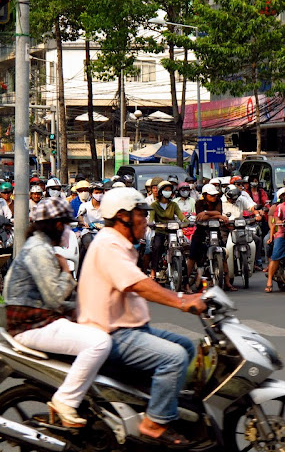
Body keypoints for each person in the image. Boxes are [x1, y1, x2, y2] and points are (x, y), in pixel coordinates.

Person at [77, 188, 206, 446]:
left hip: (130, 329)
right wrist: (181, 301)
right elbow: (138, 284)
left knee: (185, 346)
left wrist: (186, 295)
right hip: (111, 334)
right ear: (123, 217)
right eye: (140, 215)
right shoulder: (108, 245)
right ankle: (155, 422)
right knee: (174, 357)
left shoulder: (120, 244)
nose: (145, 221)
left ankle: (152, 401)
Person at [4, 198, 112, 428]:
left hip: (41, 319)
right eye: (65, 225)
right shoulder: (39, 251)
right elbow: (56, 297)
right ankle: (65, 400)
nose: (67, 231)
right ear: (55, 225)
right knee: (99, 343)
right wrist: (66, 272)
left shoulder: (41, 247)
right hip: (32, 325)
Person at [187, 184, 237, 291]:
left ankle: (227, 282)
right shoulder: (199, 203)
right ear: (205, 195)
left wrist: (209, 214)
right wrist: (217, 216)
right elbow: (201, 216)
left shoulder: (218, 201)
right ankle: (185, 282)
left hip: (214, 230)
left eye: (215, 195)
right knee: (192, 255)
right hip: (201, 231)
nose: (214, 197)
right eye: (211, 195)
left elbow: (217, 212)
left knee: (223, 254)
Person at [149, 181, 186, 280]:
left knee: (182, 249)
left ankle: (186, 282)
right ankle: (153, 271)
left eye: (170, 190)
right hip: (160, 231)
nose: (168, 192)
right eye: (166, 190)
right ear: (161, 192)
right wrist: (152, 223)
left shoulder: (173, 205)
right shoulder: (154, 205)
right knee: (157, 247)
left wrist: (186, 222)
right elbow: (151, 219)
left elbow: (181, 216)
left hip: (172, 232)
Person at [77, 183, 105, 271]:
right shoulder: (85, 206)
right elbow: (80, 217)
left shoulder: (106, 206)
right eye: (97, 192)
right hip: (88, 232)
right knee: (87, 243)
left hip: (104, 233)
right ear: (91, 194)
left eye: (101, 192)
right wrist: (83, 223)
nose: (99, 195)